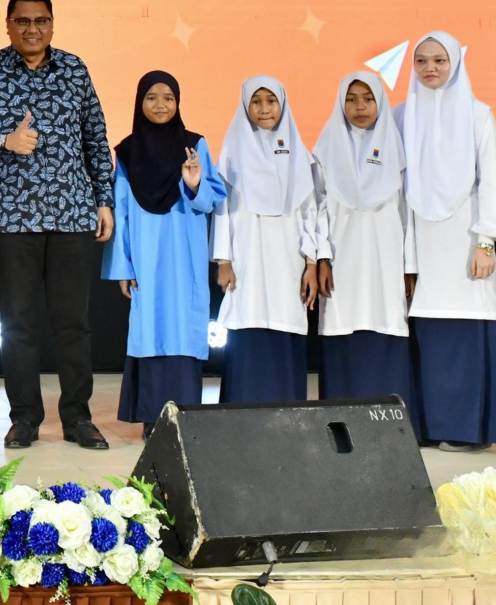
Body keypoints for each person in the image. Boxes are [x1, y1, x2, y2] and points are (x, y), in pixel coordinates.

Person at [0, 0, 114, 450]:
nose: (32, 29)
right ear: (8, 24)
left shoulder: (74, 69)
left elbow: (95, 137)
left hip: (71, 214)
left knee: (73, 324)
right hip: (11, 218)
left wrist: (103, 200)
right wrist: (5, 140)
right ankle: (25, 418)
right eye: (23, 21)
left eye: (41, 20)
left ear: (52, 24)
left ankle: (78, 418)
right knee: (18, 323)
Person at [102, 71, 224, 439]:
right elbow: (121, 210)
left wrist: (194, 184)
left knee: (183, 329)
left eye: (168, 98)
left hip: (184, 255)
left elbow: (212, 199)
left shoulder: (194, 146)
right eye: (152, 97)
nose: (160, 105)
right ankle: (152, 419)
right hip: (145, 256)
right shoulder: (127, 152)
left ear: (178, 103)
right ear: (140, 102)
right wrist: (123, 266)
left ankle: (183, 416)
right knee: (150, 329)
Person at [399, 32, 496, 451]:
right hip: (424, 245)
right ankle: (436, 426)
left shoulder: (478, 115)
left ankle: (469, 432)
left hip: (466, 243)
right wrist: (407, 261)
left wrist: (486, 242)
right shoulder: (403, 115)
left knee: (468, 334)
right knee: (432, 336)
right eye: (421, 60)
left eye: (439, 60)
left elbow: (492, 181)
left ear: (455, 63)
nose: (430, 68)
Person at [212, 76, 319, 403]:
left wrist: (312, 262)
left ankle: (287, 411)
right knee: (247, 321)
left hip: (288, 260)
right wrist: (224, 260)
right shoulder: (232, 152)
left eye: (271, 101)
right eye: (256, 102)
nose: (264, 109)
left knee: (285, 323)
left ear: (282, 104)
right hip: (247, 259)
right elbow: (222, 209)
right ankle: (242, 411)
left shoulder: (300, 155)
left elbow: (310, 212)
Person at [313, 73, 413, 404]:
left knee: (386, 323)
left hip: (386, 264)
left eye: (368, 99)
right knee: (342, 326)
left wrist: (409, 266)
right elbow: (318, 208)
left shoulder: (396, 148)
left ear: (380, 103)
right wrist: (322, 257)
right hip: (341, 263)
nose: (360, 106)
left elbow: (406, 213)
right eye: (351, 99)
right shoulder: (326, 148)